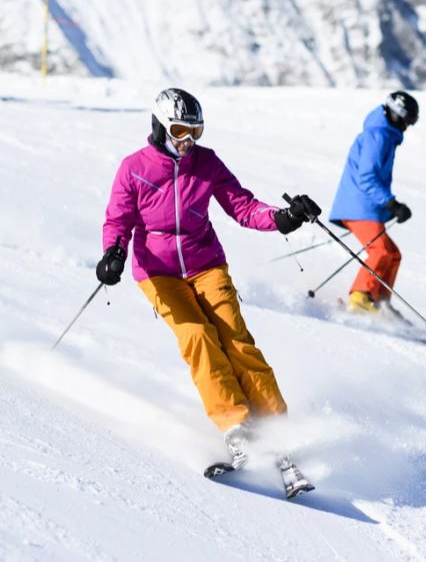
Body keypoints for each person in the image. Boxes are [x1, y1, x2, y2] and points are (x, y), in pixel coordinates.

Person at [97, 88, 320, 469]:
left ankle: (277, 430)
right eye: (181, 131)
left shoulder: (207, 164)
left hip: (206, 264)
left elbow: (243, 206)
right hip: (158, 272)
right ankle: (236, 427)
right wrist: (113, 253)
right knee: (198, 336)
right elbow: (119, 221)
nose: (188, 141)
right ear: (160, 126)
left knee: (236, 340)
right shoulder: (134, 168)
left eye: (196, 133)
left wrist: (283, 217)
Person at [328, 91, 419, 314]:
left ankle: (381, 302)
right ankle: (361, 297)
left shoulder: (384, 136)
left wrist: (390, 206)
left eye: (410, 123)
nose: (406, 127)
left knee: (392, 254)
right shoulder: (377, 136)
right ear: (394, 114)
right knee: (381, 251)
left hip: (365, 207)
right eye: (405, 120)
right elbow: (367, 178)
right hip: (358, 207)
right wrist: (391, 203)